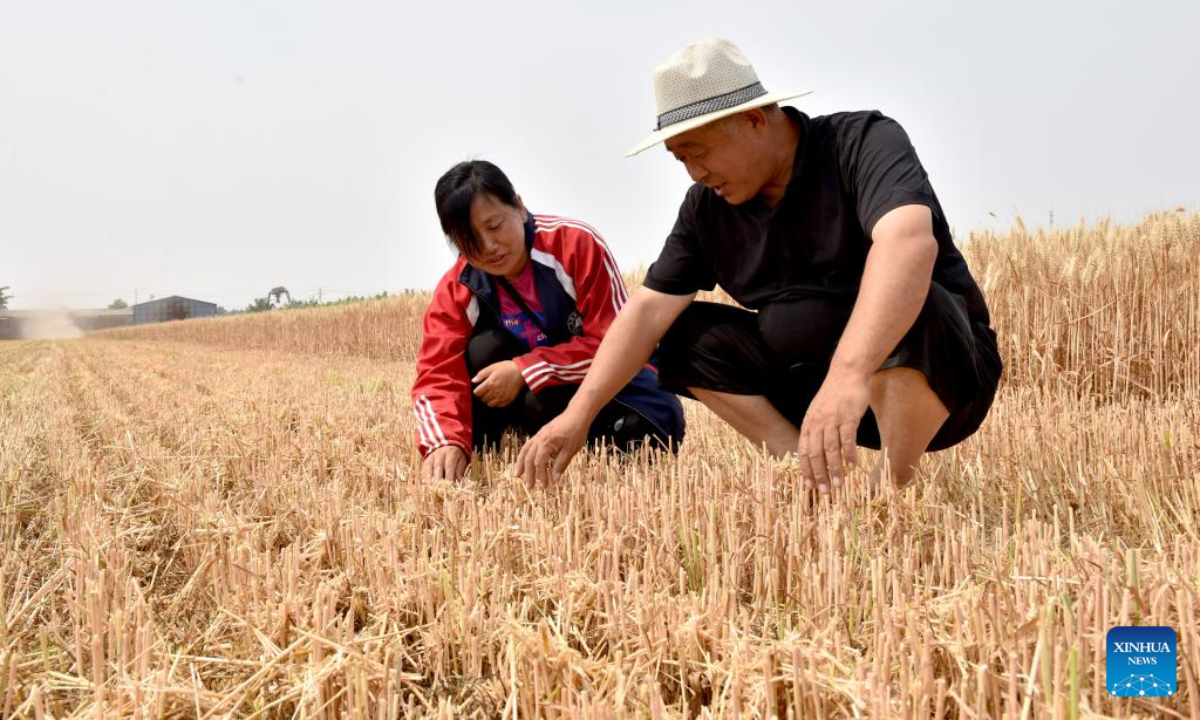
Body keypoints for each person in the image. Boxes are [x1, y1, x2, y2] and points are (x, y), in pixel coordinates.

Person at [517, 38, 1002, 493]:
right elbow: (646, 312)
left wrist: (847, 375)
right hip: (811, 388)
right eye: (680, 158)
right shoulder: (705, 208)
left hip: (941, 378)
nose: (695, 173)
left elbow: (908, 243)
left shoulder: (862, 142)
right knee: (682, 333)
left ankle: (891, 489)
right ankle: (811, 473)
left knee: (916, 295)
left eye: (700, 152)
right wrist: (577, 416)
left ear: (753, 120)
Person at [412, 160, 685, 481]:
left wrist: (526, 369)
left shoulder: (575, 245)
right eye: (469, 239)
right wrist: (444, 440)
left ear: (519, 206)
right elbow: (437, 372)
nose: (488, 247)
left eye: (495, 226)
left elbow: (617, 343)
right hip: (541, 400)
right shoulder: (459, 286)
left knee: (644, 433)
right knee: (482, 352)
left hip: (615, 392)